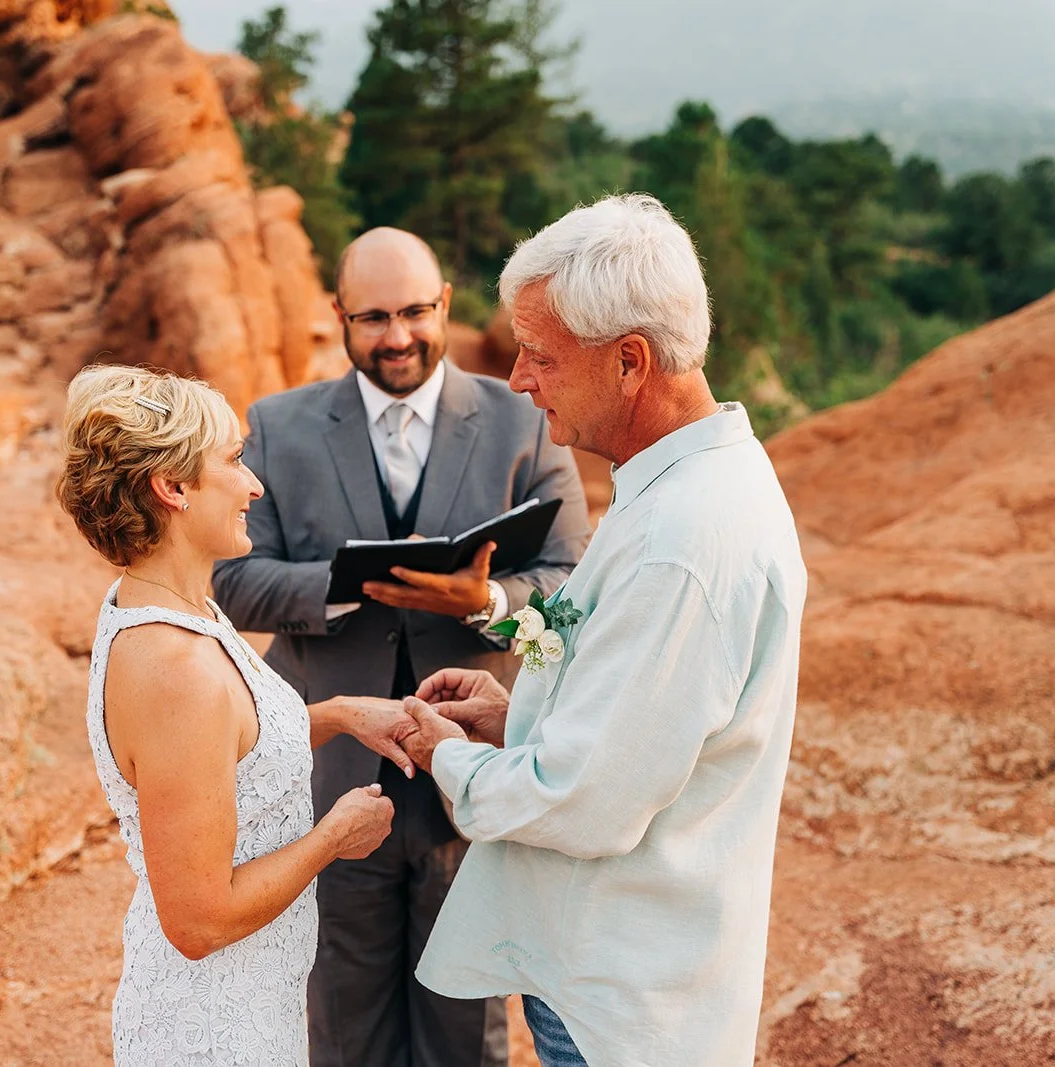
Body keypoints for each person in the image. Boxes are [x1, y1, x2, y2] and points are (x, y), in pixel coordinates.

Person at [397, 194, 808, 1067]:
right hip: (613, 975)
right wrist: (518, 718)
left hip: (623, 1005)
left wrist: (443, 752)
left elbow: (587, 799)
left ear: (631, 361)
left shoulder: (683, 542)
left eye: (540, 355)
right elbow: (652, 731)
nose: (517, 378)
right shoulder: (678, 486)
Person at [212, 228, 591, 1067]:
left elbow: (570, 578)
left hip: (477, 771)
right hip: (331, 776)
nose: (397, 336)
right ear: (339, 316)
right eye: (374, 316)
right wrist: (348, 584)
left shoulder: (523, 420)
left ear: (445, 306)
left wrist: (486, 600)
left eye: (416, 312)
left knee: (467, 1020)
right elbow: (231, 583)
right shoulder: (276, 427)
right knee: (342, 1017)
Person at [57, 364, 423, 1067]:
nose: (254, 484)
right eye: (233, 459)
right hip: (212, 1027)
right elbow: (199, 919)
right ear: (174, 487)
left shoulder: (178, 605)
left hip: (251, 1000)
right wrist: (333, 837)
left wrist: (340, 713)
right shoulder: (177, 670)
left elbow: (224, 746)